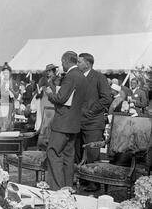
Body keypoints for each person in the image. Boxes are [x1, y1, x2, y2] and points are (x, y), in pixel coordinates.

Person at [44, 51, 87, 191]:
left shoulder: (70, 76)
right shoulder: (81, 76)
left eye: (62, 62)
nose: (62, 65)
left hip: (63, 122)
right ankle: (67, 188)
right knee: (68, 156)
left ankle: (56, 188)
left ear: (66, 61)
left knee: (53, 152)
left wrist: (50, 93)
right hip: (74, 123)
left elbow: (60, 98)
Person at [76, 53, 112, 192]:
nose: (77, 64)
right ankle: (84, 178)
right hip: (78, 122)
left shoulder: (99, 77)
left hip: (93, 123)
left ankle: (94, 182)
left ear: (88, 64)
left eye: (79, 62)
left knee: (92, 152)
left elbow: (106, 98)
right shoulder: (78, 77)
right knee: (78, 151)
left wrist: (91, 110)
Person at [34, 64, 59, 131]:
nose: (48, 73)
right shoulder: (43, 79)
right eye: (47, 71)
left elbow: (55, 90)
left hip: (51, 104)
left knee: (50, 122)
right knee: (43, 122)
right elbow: (37, 91)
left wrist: (47, 81)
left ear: (54, 71)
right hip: (43, 103)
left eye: (49, 71)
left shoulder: (57, 79)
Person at [0, 62, 18, 130]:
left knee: (9, 118)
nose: (5, 75)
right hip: (2, 102)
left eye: (7, 73)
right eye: (4, 73)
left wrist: (11, 89)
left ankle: (7, 131)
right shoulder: (1, 83)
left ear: (10, 74)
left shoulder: (13, 82)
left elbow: (17, 95)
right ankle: (3, 130)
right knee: (3, 119)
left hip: (10, 102)